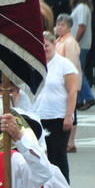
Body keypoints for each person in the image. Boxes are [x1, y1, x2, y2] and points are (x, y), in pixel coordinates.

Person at [35, 31, 79, 180]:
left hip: (58, 117)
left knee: (57, 156)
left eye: (47, 45)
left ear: (54, 45)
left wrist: (69, 115)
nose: (44, 48)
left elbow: (73, 90)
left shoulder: (64, 65)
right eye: (41, 46)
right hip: (38, 116)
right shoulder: (35, 64)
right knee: (40, 157)